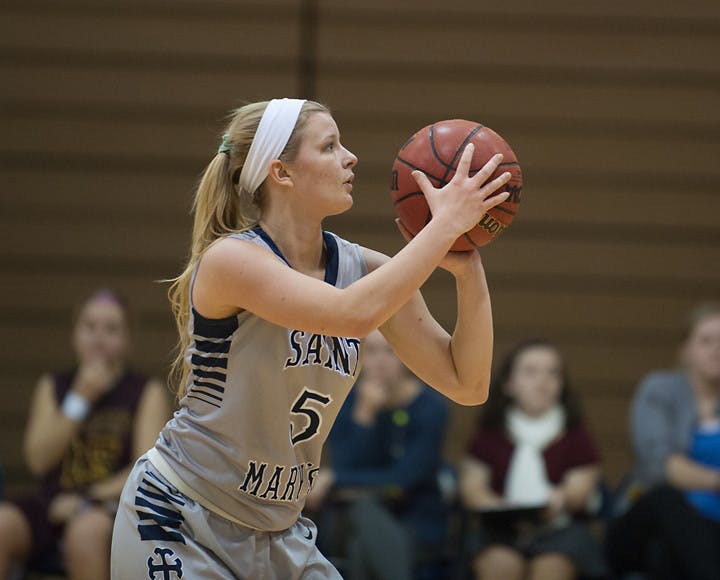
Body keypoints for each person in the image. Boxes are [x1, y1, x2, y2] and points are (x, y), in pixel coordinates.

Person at [109, 97, 513, 579]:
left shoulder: (362, 268)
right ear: (281, 172)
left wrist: (467, 266)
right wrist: (444, 226)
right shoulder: (231, 262)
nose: (351, 157)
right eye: (330, 146)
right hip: (182, 516)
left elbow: (467, 384)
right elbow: (351, 313)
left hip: (278, 533)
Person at [0, 289, 171, 580]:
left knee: (84, 535)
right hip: (52, 504)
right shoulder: (53, 386)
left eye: (111, 329)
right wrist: (80, 398)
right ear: (75, 335)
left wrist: (87, 499)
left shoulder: (145, 392)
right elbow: (38, 460)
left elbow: (144, 470)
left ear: (127, 341)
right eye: (90, 327)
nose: (99, 337)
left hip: (108, 507)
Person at [305, 330, 451, 580]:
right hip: (348, 516)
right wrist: (364, 416)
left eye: (391, 351)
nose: (380, 361)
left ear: (407, 356)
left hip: (413, 518)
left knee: (361, 541)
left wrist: (335, 479)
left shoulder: (431, 408)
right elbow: (346, 462)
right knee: (362, 514)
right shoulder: (344, 401)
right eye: (371, 351)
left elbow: (403, 479)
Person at [459, 339, 607, 580]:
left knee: (551, 569)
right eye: (530, 372)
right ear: (509, 383)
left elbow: (581, 489)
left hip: (560, 531)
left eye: (552, 373)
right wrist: (502, 509)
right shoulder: (489, 433)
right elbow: (472, 488)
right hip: (499, 532)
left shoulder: (576, 436)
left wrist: (562, 498)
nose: (542, 382)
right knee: (499, 566)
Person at [606, 303, 720, 580]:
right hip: (648, 519)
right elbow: (659, 468)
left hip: (708, 529)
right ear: (685, 349)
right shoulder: (659, 390)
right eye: (706, 341)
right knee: (666, 500)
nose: (716, 349)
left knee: (664, 555)